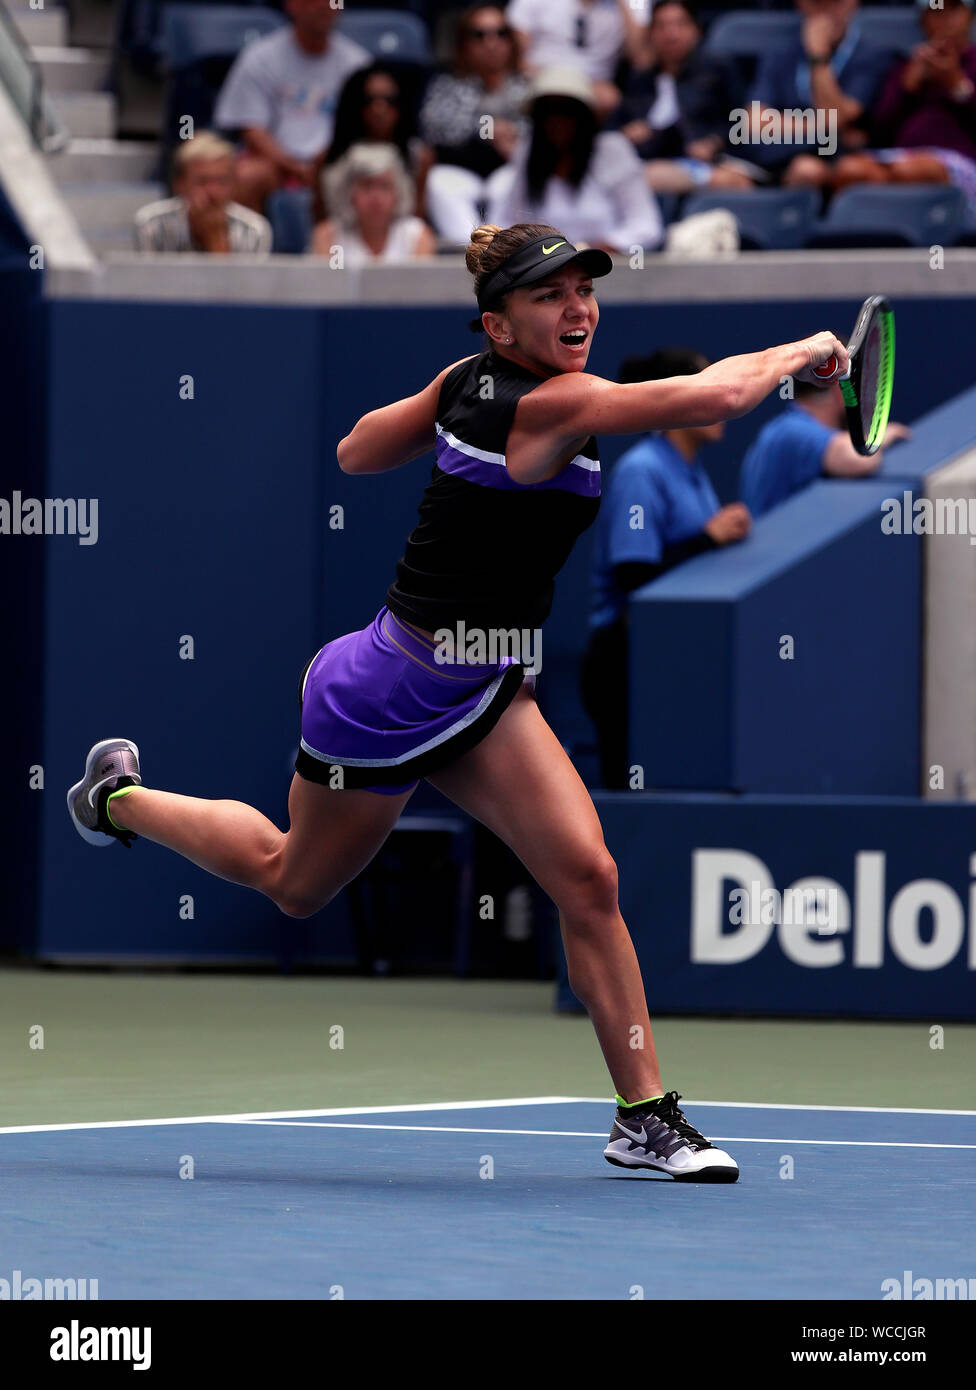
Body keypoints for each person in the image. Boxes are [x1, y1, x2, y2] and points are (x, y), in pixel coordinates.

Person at [68, 221, 851, 1182]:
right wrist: (807, 350)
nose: (577, 309)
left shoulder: (468, 379)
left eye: (585, 292)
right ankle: (116, 798)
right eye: (549, 297)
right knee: (294, 880)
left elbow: (358, 452)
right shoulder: (552, 402)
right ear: (500, 321)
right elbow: (720, 392)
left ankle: (643, 1116)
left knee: (590, 879)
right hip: (383, 694)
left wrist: (451, 400)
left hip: (485, 684)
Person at [582, 348, 751, 791]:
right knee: (635, 799)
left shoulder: (691, 470)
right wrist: (709, 538)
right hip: (626, 662)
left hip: (671, 656)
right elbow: (632, 577)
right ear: (680, 402)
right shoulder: (643, 470)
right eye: (708, 392)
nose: (723, 402)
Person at [828, 0, 976, 230]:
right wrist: (907, 88)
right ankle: (881, 234)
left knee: (918, 169)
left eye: (953, 12)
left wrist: (957, 85)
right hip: (897, 159)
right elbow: (879, 133)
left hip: (958, 165)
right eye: (936, 13)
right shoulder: (903, 68)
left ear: (969, 17)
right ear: (923, 21)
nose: (945, 22)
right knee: (850, 170)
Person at [214, 0, 371, 212]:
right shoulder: (260, 57)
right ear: (292, 5)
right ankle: (245, 244)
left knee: (377, 174)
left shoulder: (357, 63)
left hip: (336, 162)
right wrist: (293, 166)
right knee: (247, 177)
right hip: (274, 164)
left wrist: (323, 162)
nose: (326, 6)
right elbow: (252, 128)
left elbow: (360, 127)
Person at [488, 67, 663, 254]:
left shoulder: (612, 150)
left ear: (585, 117)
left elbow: (647, 227)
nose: (557, 121)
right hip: (541, 275)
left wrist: (590, 251)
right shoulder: (528, 152)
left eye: (567, 111)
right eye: (548, 111)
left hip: (605, 270)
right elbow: (504, 221)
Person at [612, 0, 758, 193]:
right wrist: (627, 134)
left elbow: (742, 122)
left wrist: (714, 143)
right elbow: (614, 129)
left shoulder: (718, 70)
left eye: (680, 24)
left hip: (706, 164)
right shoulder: (640, 79)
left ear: (697, 30)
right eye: (661, 26)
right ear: (651, 34)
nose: (671, 34)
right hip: (644, 161)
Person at [745, 0, 893, 188]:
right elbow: (755, 121)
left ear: (852, 4)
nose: (827, 14)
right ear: (801, 4)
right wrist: (827, 128)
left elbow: (839, 116)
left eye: (835, 3)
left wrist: (818, 56)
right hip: (782, 155)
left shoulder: (871, 56)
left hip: (839, 159)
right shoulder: (781, 53)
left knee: (809, 170)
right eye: (818, 4)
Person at [419, 5, 531, 245]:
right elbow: (434, 129)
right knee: (439, 181)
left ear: (511, 42)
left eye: (500, 33)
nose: (491, 43)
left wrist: (513, 135)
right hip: (461, 170)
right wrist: (488, 128)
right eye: (479, 35)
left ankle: (504, 251)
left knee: (511, 181)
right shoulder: (448, 84)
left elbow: (542, 130)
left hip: (507, 168)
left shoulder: (525, 85)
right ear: (465, 45)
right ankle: (472, 252)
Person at [739, 378, 910, 517]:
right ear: (841, 389)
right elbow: (860, 458)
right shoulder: (790, 431)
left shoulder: (782, 430)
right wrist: (882, 434)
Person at [507, 0, 651, 118]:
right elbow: (521, 57)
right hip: (544, 76)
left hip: (595, 84)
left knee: (608, 98)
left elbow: (640, 58)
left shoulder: (634, 3)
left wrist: (623, 5)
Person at [134, 132, 272, 255]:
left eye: (221, 181)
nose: (212, 191)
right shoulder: (151, 224)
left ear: (234, 185)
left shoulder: (255, 230)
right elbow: (147, 281)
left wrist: (216, 242)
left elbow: (246, 284)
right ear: (179, 184)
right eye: (202, 181)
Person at [322, 64, 432, 216]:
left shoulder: (419, 157)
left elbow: (416, 218)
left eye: (389, 100)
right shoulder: (329, 158)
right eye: (369, 100)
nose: (379, 108)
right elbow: (322, 218)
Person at [312, 143, 437, 264]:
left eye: (385, 186)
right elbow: (333, 280)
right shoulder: (330, 237)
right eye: (367, 186)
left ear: (398, 193)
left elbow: (420, 284)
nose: (376, 197)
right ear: (348, 193)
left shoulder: (416, 236)